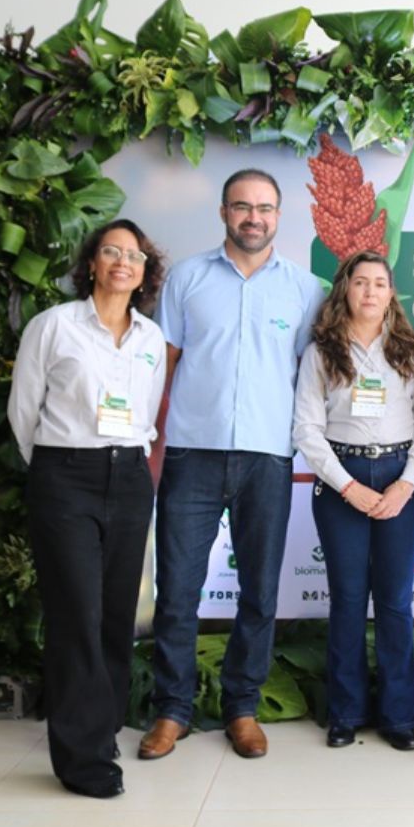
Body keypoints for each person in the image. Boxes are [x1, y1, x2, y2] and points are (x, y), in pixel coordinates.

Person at [139, 169, 325, 761]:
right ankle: (172, 710)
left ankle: (242, 707)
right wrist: (148, 441)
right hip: (192, 454)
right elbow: (159, 367)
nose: (254, 218)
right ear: (223, 212)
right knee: (178, 592)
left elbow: (314, 380)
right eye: (242, 207)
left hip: (268, 457)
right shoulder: (187, 280)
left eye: (265, 208)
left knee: (260, 592)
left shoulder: (306, 289)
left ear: (278, 216)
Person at [8, 219, 167, 798]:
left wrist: (122, 465)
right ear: (92, 264)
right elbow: (23, 413)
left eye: (134, 255)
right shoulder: (53, 327)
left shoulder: (150, 337)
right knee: (76, 613)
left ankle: (101, 733)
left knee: (115, 616)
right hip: (64, 474)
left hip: (128, 477)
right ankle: (82, 760)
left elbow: (147, 411)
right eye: (111, 252)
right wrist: (59, 468)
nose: (123, 262)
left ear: (146, 272)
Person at [293, 251, 414, 751]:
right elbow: (306, 429)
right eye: (360, 283)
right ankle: (345, 713)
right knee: (349, 601)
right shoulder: (321, 351)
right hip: (341, 479)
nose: (370, 292)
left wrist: (405, 483)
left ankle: (399, 716)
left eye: (380, 283)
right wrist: (348, 486)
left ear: (392, 293)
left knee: (395, 602)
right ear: (345, 290)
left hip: (401, 477)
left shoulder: (412, 348)